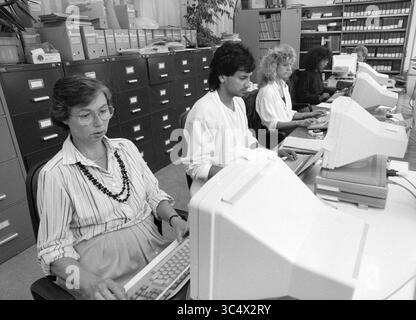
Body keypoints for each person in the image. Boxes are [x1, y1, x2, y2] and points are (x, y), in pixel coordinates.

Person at [36, 75, 188, 300]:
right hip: (102, 274)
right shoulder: (55, 174)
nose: (99, 122)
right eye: (86, 115)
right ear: (64, 118)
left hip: (153, 249)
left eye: (104, 111)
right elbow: (52, 251)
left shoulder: (126, 148)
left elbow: (153, 194)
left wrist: (176, 220)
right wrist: (88, 283)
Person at [182, 41, 296, 195]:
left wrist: (272, 153)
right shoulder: (203, 112)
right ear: (222, 76)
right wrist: (236, 175)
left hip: (240, 179)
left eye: (249, 78)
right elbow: (196, 166)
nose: (248, 84)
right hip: (213, 192)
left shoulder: (239, 102)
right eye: (243, 78)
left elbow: (248, 141)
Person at [256, 43, 325, 134]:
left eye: (290, 65)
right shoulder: (266, 91)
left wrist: (309, 114)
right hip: (273, 137)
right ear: (273, 66)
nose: (289, 69)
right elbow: (272, 125)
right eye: (285, 65)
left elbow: (287, 113)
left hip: (286, 130)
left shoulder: (284, 86)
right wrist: (299, 123)